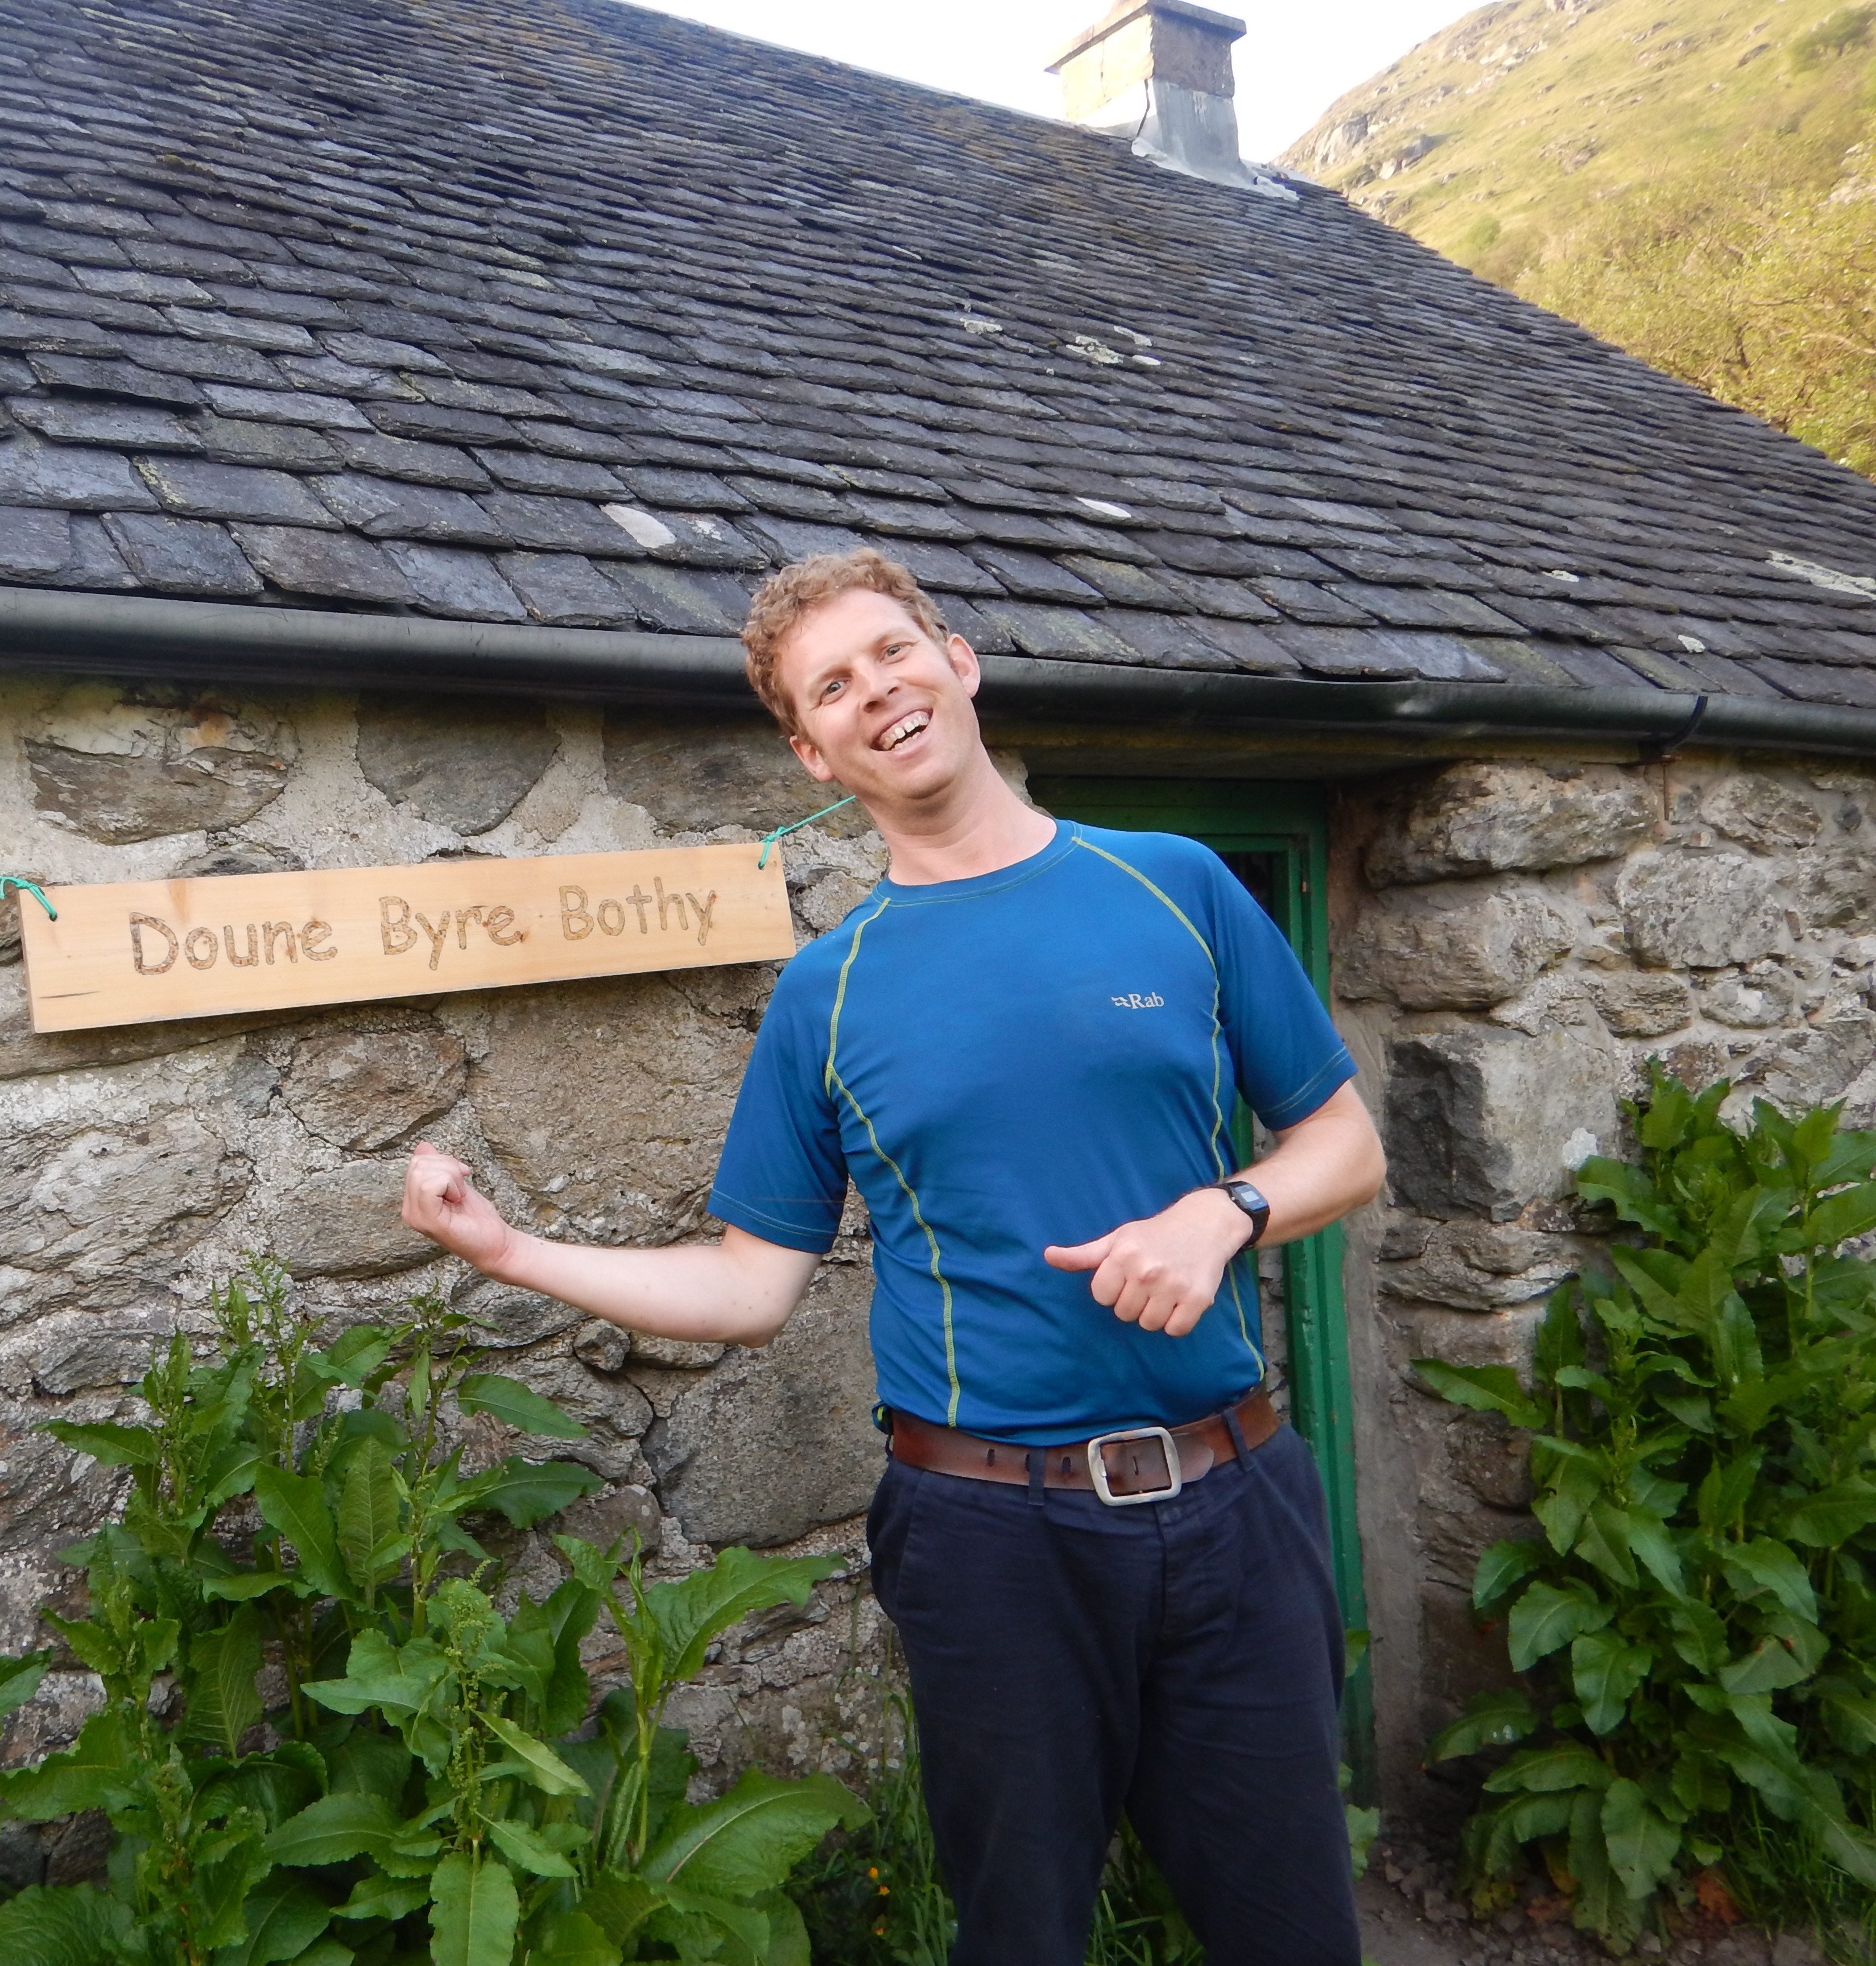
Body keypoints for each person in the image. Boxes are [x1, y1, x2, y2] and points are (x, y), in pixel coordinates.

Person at [401, 547, 1386, 1966]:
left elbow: (1343, 1145)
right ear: (813, 753)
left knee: (1295, 1935)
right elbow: (749, 1287)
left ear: (958, 661)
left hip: (1236, 1498)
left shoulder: (1174, 885)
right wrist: (510, 1251)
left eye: (893, 652)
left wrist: (1224, 1210)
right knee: (1021, 1938)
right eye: (832, 689)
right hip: (994, 1538)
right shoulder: (829, 991)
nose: (878, 691)